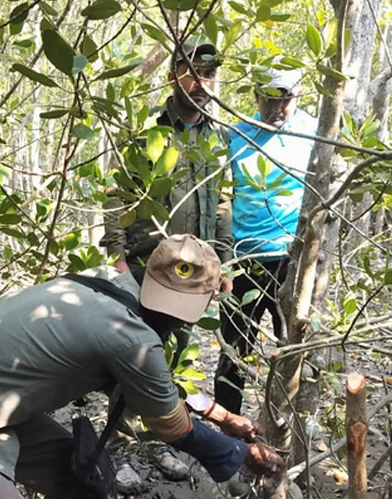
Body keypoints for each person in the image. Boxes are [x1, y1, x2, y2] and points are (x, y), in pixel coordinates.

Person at [0, 234, 283, 499]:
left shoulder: (103, 283)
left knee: (81, 475)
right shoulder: (131, 337)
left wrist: (222, 415)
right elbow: (169, 424)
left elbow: (154, 386)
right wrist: (240, 452)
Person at [99, 38, 234, 491]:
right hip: (145, 270)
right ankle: (115, 446)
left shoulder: (218, 135)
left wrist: (225, 262)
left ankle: (163, 440)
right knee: (130, 358)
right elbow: (118, 193)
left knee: (171, 358)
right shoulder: (148, 130)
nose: (201, 83)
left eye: (209, 74)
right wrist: (117, 255)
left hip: (194, 275)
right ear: (174, 74)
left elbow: (222, 205)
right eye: (193, 72)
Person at [216, 63, 319, 414]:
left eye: (284, 99)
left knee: (291, 351)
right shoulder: (235, 136)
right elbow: (221, 198)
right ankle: (229, 432)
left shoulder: (315, 133)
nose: (276, 109)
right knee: (233, 351)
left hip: (291, 261)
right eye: (268, 99)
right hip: (242, 260)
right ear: (256, 96)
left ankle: (282, 427)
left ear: (298, 97)